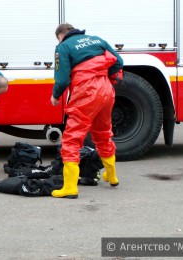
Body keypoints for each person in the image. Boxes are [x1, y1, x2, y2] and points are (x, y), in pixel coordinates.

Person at [50, 23, 124, 199]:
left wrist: (55, 95)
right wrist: (107, 78)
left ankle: (69, 188)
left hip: (86, 92)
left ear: (60, 35)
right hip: (106, 90)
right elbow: (118, 62)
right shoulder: (96, 40)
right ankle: (112, 176)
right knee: (103, 133)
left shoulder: (63, 47)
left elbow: (62, 78)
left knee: (72, 138)